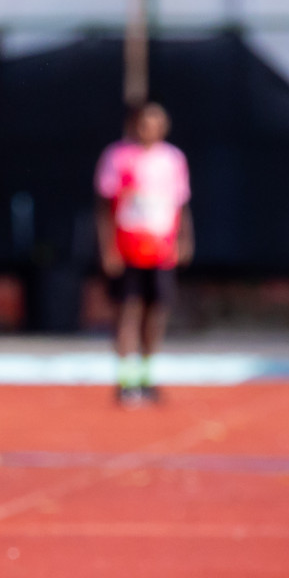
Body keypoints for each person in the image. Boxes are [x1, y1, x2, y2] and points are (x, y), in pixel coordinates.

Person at [95, 101, 194, 406]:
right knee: (128, 310)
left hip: (161, 250)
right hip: (127, 248)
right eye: (145, 123)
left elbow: (181, 204)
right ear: (134, 124)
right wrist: (108, 248)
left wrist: (185, 240)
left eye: (157, 123)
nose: (150, 129)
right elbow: (103, 207)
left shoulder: (173, 159)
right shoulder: (117, 156)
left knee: (156, 311)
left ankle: (148, 377)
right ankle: (127, 380)